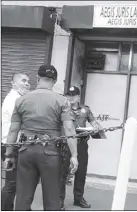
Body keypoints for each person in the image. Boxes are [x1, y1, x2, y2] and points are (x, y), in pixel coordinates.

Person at [3, 65, 79, 210]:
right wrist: (74, 155)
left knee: (23, 197)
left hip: (26, 151)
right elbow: (69, 128)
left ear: (37, 78)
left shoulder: (21, 100)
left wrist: (8, 155)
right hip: (50, 153)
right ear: (55, 81)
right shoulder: (62, 101)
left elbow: (13, 130)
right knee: (52, 198)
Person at [60, 86, 103, 210]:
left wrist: (96, 126)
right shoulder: (63, 109)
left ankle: (78, 199)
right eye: (69, 95)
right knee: (62, 173)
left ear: (78, 96)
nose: (70, 97)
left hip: (82, 145)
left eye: (73, 95)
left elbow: (94, 122)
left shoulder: (85, 109)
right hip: (66, 144)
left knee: (81, 172)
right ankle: (59, 200)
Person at [1, 73, 30, 211]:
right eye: (23, 81)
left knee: (15, 182)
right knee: (12, 182)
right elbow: (16, 126)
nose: (27, 84)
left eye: (28, 81)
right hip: (11, 147)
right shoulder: (14, 99)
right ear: (13, 83)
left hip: (12, 145)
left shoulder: (17, 98)